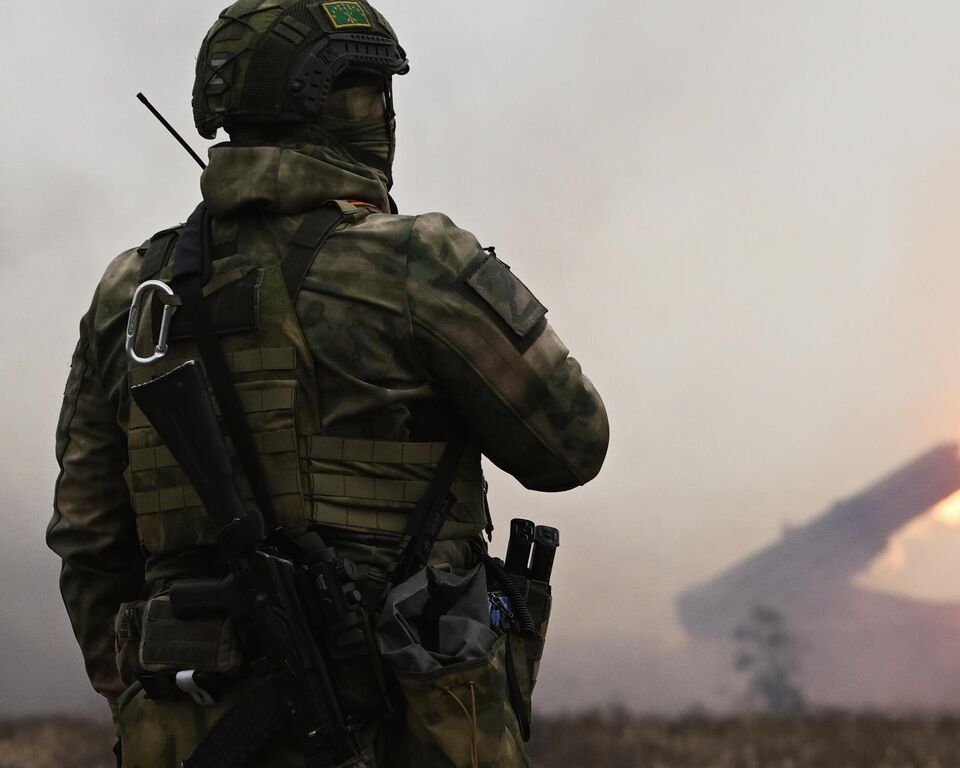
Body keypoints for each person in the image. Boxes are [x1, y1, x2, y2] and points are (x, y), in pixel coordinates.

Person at [47, 1, 609, 764]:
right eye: (378, 92)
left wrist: (148, 701)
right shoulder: (417, 261)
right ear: (345, 105)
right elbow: (573, 445)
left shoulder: (135, 291)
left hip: (189, 734)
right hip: (407, 726)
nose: (387, 112)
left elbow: (88, 540)